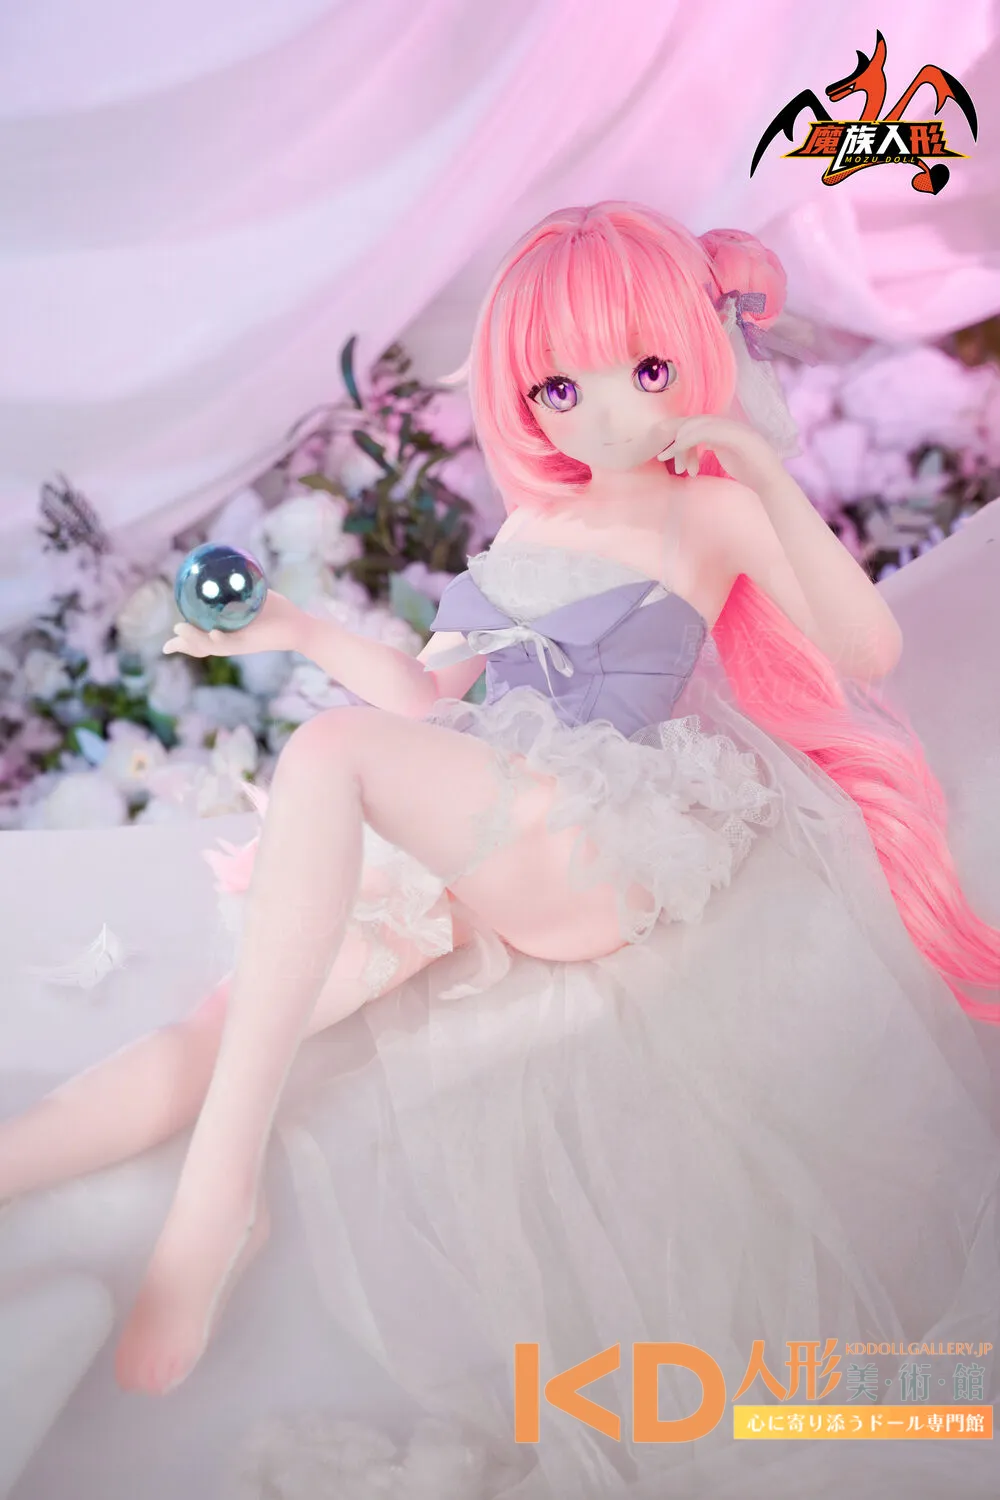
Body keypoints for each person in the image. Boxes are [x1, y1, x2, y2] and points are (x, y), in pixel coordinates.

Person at [1, 201, 999, 1499]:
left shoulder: (707, 512)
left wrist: (760, 473)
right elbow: (427, 696)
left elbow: (867, 649)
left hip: (600, 838)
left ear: (697, 357)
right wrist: (296, 632)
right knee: (235, 1012)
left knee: (329, 757)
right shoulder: (531, 531)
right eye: (557, 387)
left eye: (644, 369)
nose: (602, 413)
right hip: (489, 818)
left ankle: (218, 1198)